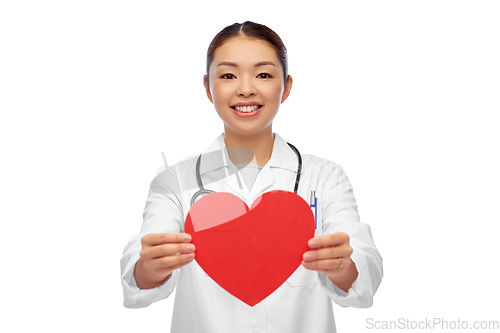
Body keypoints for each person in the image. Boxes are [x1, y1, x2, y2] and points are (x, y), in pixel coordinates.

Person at [121, 21, 383, 333]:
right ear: (208, 87)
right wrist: (151, 267)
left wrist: (342, 267)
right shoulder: (175, 181)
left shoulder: (325, 176)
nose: (246, 88)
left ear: (285, 87)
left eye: (263, 74)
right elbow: (138, 277)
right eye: (229, 75)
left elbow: (365, 272)